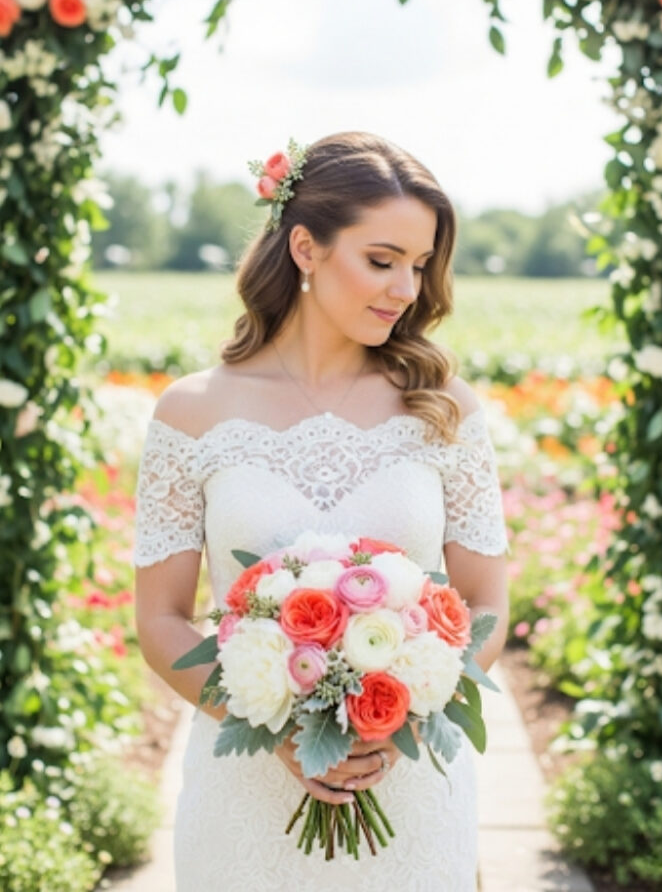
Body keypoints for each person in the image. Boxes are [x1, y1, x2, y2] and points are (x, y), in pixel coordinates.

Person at [133, 130, 509, 891]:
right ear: (305, 247)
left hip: (407, 788)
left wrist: (389, 726)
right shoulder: (191, 413)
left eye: (418, 265)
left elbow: (485, 605)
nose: (405, 288)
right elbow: (161, 619)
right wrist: (279, 733)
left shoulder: (442, 409)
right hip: (245, 793)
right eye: (381, 260)